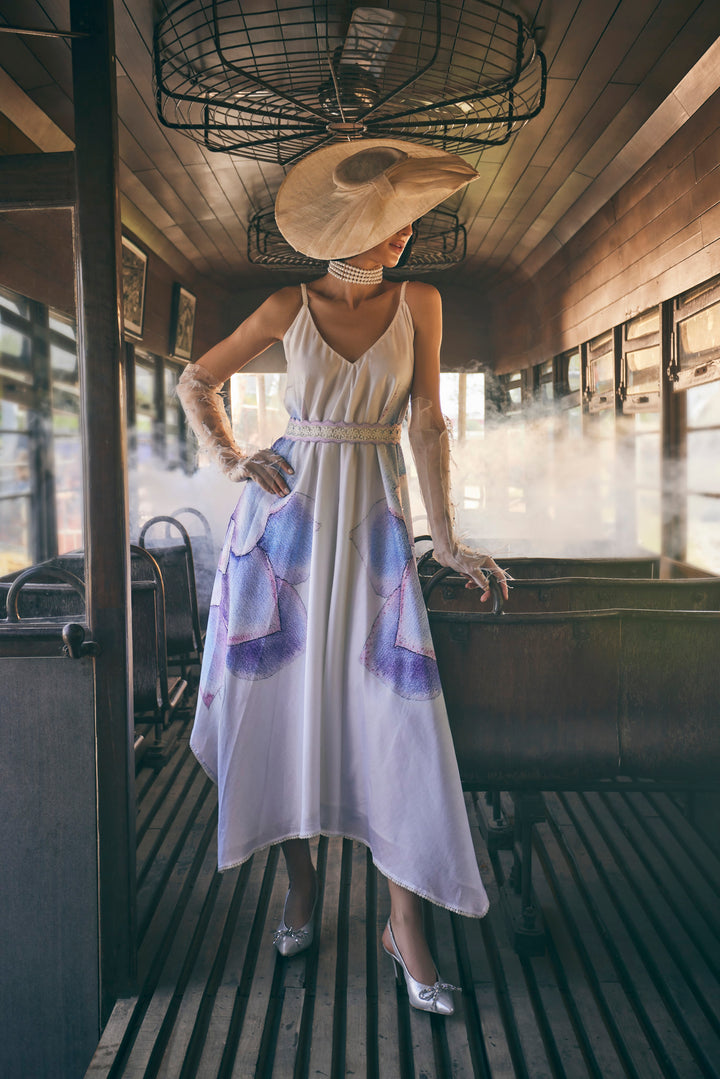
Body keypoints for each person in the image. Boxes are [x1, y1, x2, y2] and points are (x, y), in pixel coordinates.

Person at [177, 139, 509, 1016]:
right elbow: (197, 378)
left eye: (409, 221)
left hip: (374, 529)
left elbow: (429, 423)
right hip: (282, 531)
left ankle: (406, 925)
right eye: (393, 221)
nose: (407, 236)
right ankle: (301, 885)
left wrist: (446, 538)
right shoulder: (289, 303)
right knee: (287, 707)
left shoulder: (420, 301)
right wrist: (234, 456)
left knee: (388, 717)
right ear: (353, 224)